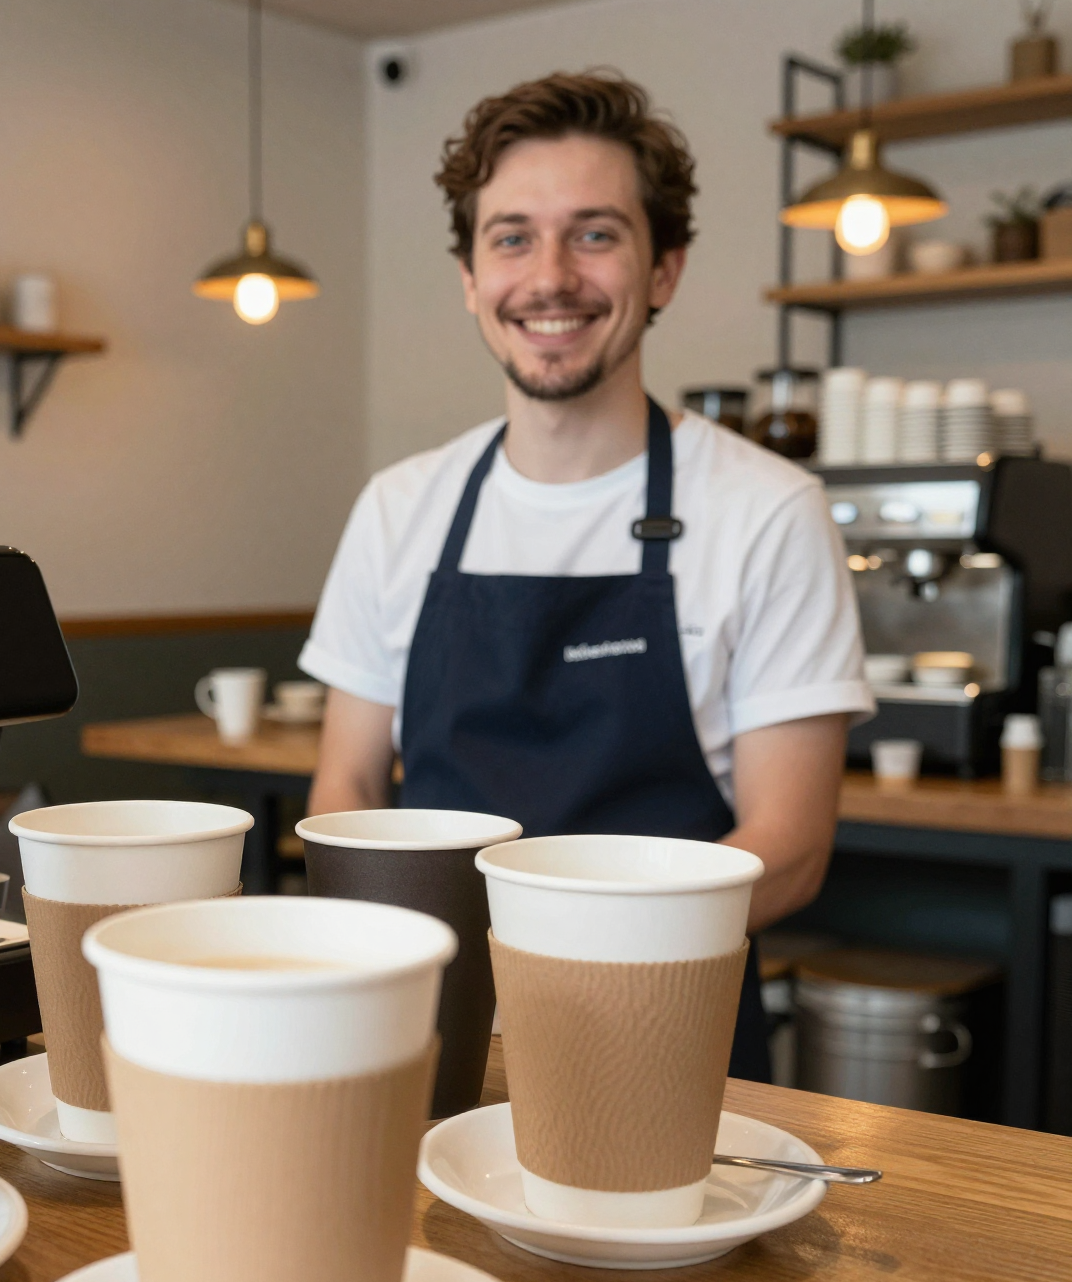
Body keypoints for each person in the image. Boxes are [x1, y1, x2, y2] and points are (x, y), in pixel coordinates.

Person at [299, 72, 874, 1081]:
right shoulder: (399, 508)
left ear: (664, 270)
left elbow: (790, 847)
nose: (550, 276)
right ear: (471, 278)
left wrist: (574, 967)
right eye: (511, 237)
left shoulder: (769, 512)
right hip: (431, 1033)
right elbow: (347, 783)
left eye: (596, 233)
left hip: (666, 1030)